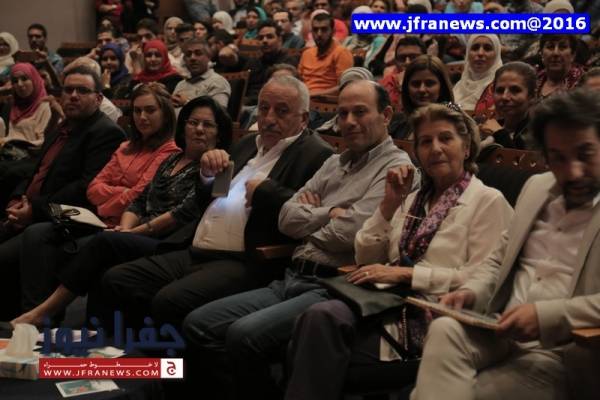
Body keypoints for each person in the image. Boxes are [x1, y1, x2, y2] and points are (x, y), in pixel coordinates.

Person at [182, 80, 416, 400]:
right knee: (197, 324)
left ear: (386, 115)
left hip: (332, 285)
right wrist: (328, 213)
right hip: (291, 276)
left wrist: (311, 215)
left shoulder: (397, 168)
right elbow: (286, 217)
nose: (348, 121)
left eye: (360, 112)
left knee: (242, 335)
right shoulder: (335, 161)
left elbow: (348, 234)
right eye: (343, 113)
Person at [285, 100, 513, 400]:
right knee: (319, 316)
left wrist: (408, 275)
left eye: (445, 138)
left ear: (467, 147)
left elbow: (486, 281)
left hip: (438, 314)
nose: (435, 149)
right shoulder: (413, 198)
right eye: (425, 142)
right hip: (384, 302)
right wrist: (388, 205)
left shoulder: (488, 201)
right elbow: (366, 258)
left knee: (315, 344)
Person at [410, 88, 600, 400]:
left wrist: (545, 316)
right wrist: (472, 292)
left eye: (585, 154)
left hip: (563, 349)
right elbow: (499, 260)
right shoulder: (537, 187)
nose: (573, 171)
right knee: (445, 329)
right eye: (558, 158)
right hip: (500, 328)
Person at [100, 76, 334, 329]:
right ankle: (122, 347)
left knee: (168, 301)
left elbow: (308, 213)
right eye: (264, 108)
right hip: (195, 248)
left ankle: (159, 352)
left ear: (304, 118)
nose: (268, 118)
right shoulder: (247, 143)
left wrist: (266, 190)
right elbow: (208, 198)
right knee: (118, 278)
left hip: (244, 260)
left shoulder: (317, 154)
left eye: (282, 111)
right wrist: (207, 175)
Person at [12, 95, 232, 327]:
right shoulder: (172, 159)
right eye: (193, 122)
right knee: (43, 232)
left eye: (208, 125)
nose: (199, 129)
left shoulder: (211, 168)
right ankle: (55, 318)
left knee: (104, 243)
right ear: (183, 126)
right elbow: (139, 199)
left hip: (168, 241)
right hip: (136, 230)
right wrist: (126, 228)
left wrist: (133, 233)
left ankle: (44, 312)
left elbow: (182, 214)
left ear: (219, 133)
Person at [0, 65, 124, 318]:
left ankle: (33, 325)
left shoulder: (106, 133)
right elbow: (36, 170)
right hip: (37, 209)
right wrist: (17, 198)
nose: (73, 96)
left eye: (82, 90)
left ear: (98, 98)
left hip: (71, 215)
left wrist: (33, 211)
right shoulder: (63, 126)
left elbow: (85, 189)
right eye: (68, 90)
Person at [390, 55, 454, 139]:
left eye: (429, 83)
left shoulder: (455, 122)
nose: (422, 89)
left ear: (442, 87)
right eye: (415, 84)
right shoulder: (397, 123)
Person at [478, 62, 539, 150]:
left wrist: (499, 134)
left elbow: (521, 158)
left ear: (532, 96)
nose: (504, 97)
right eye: (500, 90)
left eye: (515, 90)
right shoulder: (487, 128)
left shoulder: (540, 133)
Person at [1, 63, 51, 159]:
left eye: (24, 79)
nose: (19, 84)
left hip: (29, 157)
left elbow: (44, 142)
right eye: (15, 81)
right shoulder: (10, 105)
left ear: (34, 80)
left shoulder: (45, 107)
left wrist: (14, 142)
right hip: (6, 153)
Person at [298, 13, 353, 96]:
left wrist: (312, 95)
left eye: (324, 29)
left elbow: (344, 87)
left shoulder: (341, 52)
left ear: (333, 32)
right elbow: (298, 81)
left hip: (327, 101)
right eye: (315, 30)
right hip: (304, 98)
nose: (319, 34)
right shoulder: (307, 53)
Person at [244, 20, 298, 105]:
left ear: (280, 39)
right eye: (261, 38)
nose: (264, 41)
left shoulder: (288, 62)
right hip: (248, 105)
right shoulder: (253, 62)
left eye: (269, 37)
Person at [172, 38, 231, 109]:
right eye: (188, 55)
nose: (192, 58)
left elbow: (218, 113)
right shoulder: (180, 84)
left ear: (208, 57)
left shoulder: (218, 82)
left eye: (198, 53)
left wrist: (186, 103)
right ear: (184, 60)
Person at [453, 34, 502, 111]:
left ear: (497, 54)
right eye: (475, 48)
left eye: (487, 49)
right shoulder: (458, 86)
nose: (480, 53)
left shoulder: (501, 88)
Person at [379, 36, 427, 111]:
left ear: (426, 58)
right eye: (402, 58)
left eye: (413, 57)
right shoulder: (385, 84)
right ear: (395, 61)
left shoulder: (435, 80)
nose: (407, 62)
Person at [536, 35, 584, 99]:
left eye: (562, 47)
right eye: (550, 47)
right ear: (541, 54)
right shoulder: (532, 82)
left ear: (573, 55)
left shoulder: (584, 85)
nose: (555, 53)